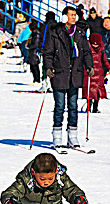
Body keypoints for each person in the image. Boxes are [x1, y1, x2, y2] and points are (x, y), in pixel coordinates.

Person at [43, 6, 93, 149]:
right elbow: (48, 52)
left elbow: (86, 51)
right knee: (59, 107)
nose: (73, 17)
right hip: (59, 73)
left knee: (73, 106)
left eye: (75, 15)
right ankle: (57, 136)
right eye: (71, 15)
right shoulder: (55, 32)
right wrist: (48, 67)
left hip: (75, 74)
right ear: (64, 17)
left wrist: (89, 66)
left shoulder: (80, 32)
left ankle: (73, 136)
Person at [84, 33, 110, 113]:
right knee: (90, 91)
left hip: (99, 72)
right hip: (89, 72)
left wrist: (108, 67)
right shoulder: (87, 49)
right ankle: (88, 107)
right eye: (93, 44)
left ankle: (95, 107)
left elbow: (104, 60)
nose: (95, 46)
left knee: (98, 92)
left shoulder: (101, 49)